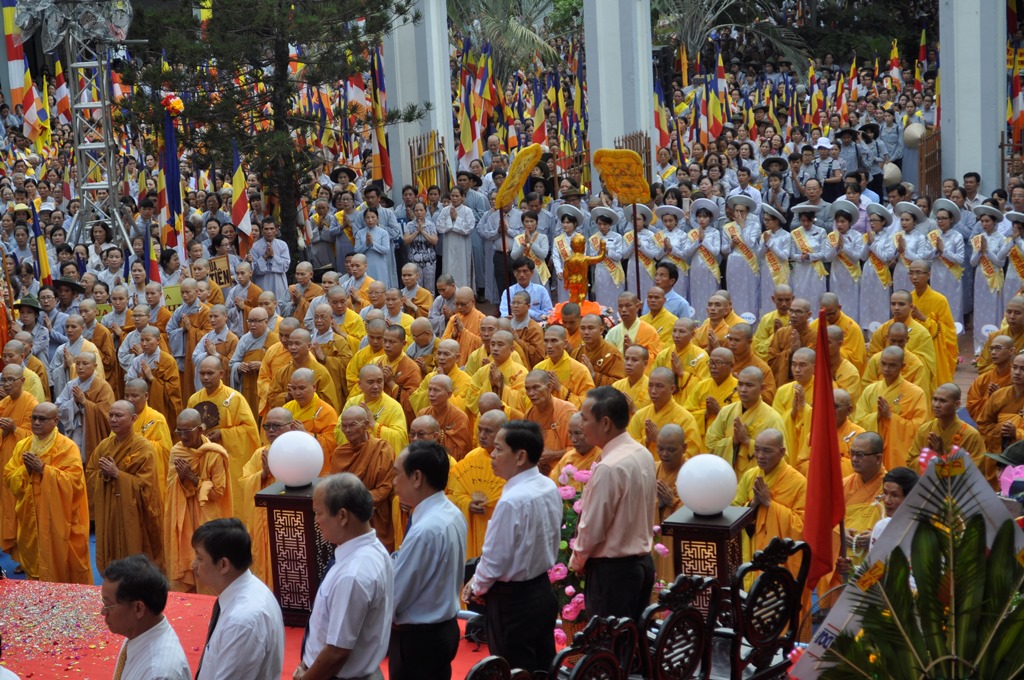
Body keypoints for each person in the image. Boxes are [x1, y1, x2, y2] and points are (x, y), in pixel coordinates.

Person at [462, 420, 560, 673]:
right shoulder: (548, 486)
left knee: (514, 669)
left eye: (498, 449)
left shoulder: (513, 500)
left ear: (520, 456)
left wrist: (478, 587)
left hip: (513, 603)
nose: (492, 455)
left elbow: (495, 558)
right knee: (543, 665)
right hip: (541, 591)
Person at [571, 386, 656, 622]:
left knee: (610, 648)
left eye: (585, 418)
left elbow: (593, 528)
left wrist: (577, 561)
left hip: (613, 573)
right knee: (631, 645)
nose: (581, 424)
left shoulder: (610, 467)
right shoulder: (642, 453)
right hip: (640, 563)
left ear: (605, 423)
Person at [298, 473, 393, 680]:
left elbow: (337, 651)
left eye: (318, 513)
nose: (316, 521)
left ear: (342, 516)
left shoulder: (353, 574)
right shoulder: (374, 549)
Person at [390, 440, 468, 680]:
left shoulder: (426, 530)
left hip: (419, 639)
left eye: (396, 474)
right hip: (442, 629)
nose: (393, 482)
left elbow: (396, 593)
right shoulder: (451, 512)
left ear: (417, 478)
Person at [1, 402, 90, 583]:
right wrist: (25, 470)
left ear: (55, 421)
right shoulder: (23, 446)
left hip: (59, 521)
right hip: (30, 519)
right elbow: (9, 478)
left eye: (42, 419)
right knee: (34, 567)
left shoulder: (67, 447)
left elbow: (75, 483)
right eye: (33, 418)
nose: (36, 422)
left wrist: (44, 470)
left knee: (62, 567)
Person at [192, 518, 285, 680]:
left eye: (199, 558)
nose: (193, 565)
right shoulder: (246, 591)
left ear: (223, 565)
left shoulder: (242, 621)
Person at [86, 401, 163, 572]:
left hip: (133, 514)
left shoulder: (144, 448)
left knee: (134, 553)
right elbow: (91, 473)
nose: (113, 419)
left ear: (133, 418)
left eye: (118, 415)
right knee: (111, 549)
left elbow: (146, 486)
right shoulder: (104, 446)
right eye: (111, 415)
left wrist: (118, 475)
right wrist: (102, 475)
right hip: (109, 510)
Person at [164, 408, 232, 593]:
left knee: (208, 559)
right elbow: (171, 486)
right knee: (188, 562)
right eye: (179, 431)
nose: (182, 436)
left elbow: (218, 491)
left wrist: (192, 478)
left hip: (207, 516)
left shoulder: (215, 453)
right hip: (183, 514)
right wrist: (182, 477)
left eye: (187, 431)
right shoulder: (177, 451)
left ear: (200, 430)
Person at [188, 356, 262, 519]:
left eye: (210, 373)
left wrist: (223, 433)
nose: (205, 377)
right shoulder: (194, 399)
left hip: (228, 459)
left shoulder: (235, 398)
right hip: (205, 459)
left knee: (231, 499)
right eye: (202, 374)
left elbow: (250, 429)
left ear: (221, 374)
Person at [101, 555, 191, 680]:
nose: (102, 612)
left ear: (138, 608)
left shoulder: (158, 674)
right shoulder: (140, 632)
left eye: (108, 605)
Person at [731, 428, 806, 570]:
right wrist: (753, 504)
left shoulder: (798, 482)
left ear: (782, 452)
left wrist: (769, 504)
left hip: (781, 558)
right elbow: (734, 513)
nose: (760, 456)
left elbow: (802, 526)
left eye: (767, 451)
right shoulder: (750, 476)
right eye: (757, 449)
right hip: (751, 549)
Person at [331, 406, 397, 550]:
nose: (347, 430)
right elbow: (335, 489)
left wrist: (357, 503)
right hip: (348, 519)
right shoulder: (340, 453)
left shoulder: (383, 449)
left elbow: (385, 488)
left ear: (367, 425)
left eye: (353, 425)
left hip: (376, 515)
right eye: (344, 426)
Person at [856, 346, 928, 472]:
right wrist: (876, 417)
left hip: (899, 454)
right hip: (873, 452)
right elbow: (858, 421)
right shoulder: (870, 391)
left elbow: (920, 428)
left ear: (902, 366)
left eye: (892, 365)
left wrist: (891, 417)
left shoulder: (916, 393)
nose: (886, 369)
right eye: (883, 364)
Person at [706, 366, 786, 476]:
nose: (743, 390)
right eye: (740, 384)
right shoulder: (726, 411)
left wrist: (747, 441)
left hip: (756, 481)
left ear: (762, 388)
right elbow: (710, 444)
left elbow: (782, 457)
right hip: (724, 478)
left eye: (749, 385)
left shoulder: (773, 418)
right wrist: (733, 441)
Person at [449, 410, 508, 559]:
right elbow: (455, 493)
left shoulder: (511, 459)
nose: (481, 435)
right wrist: (468, 503)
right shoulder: (472, 456)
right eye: (480, 429)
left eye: (488, 431)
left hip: (499, 525)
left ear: (503, 433)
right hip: (474, 525)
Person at [912, 383, 988, 483]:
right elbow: (912, 460)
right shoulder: (925, 430)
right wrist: (932, 458)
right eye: (935, 399)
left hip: (958, 493)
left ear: (957, 404)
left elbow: (974, 470)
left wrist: (942, 456)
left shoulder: (971, 435)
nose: (936, 405)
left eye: (942, 401)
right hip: (928, 487)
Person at [0, 364, 36, 565]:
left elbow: (36, 436)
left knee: (20, 510)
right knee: (5, 508)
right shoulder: (4, 403)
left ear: (22, 381)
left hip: (20, 467)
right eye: (3, 380)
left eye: (10, 380)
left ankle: (25, 558)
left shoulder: (31, 403)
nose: (6, 384)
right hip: (3, 464)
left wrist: (15, 428)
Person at [126, 326, 183, 433]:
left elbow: (174, 388)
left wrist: (151, 378)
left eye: (148, 340)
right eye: (142, 340)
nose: (144, 344)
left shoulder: (167, 360)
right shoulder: (137, 360)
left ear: (158, 340)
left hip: (161, 406)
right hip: (141, 405)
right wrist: (141, 379)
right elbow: (130, 382)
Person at [653, 424, 686, 580]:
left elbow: (701, 512)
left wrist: (673, 502)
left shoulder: (693, 473)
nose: (664, 454)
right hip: (655, 541)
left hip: (681, 545)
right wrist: (656, 504)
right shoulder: (651, 469)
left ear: (684, 447)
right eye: (660, 449)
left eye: (671, 450)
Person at [417, 375, 472, 461]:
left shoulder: (460, 418)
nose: (431, 394)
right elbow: (416, 443)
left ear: (449, 394)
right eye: (430, 389)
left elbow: (461, 450)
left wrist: (436, 434)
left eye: (436, 390)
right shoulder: (423, 414)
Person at [966, 334, 1014, 422]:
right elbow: (971, 406)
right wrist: (992, 399)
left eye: (998, 348)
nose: (993, 352)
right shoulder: (983, 379)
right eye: (991, 349)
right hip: (985, 426)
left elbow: (1018, 407)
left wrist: (1000, 397)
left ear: (1011, 351)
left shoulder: (1017, 378)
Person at [570, 314, 625, 387]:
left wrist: (593, 375)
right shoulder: (576, 353)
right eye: (582, 328)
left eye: (590, 328)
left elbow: (620, 384)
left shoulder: (613, 354)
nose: (586, 332)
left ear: (601, 330)